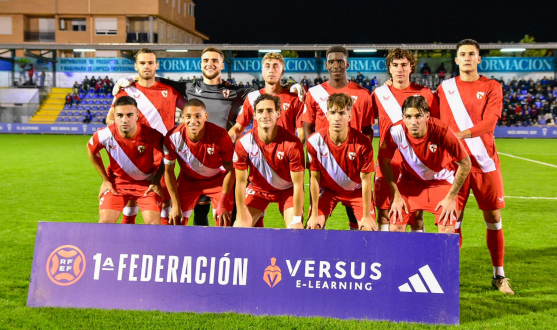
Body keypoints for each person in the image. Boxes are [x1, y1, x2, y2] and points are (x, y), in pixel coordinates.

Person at [436, 39, 513, 294]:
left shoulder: (492, 86)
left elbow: (490, 123)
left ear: (479, 59)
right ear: (456, 60)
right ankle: (448, 276)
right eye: (462, 54)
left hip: (485, 164)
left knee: (493, 218)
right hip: (455, 166)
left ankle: (499, 275)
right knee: (451, 221)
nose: (467, 58)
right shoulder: (444, 88)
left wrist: (458, 135)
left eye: (472, 54)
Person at [108, 48, 185, 225]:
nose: (147, 66)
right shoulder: (125, 91)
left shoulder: (170, 91)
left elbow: (190, 110)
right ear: (136, 66)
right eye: (142, 63)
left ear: (156, 65)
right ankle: (128, 244)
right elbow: (110, 119)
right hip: (134, 156)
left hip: (162, 156)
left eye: (150, 63)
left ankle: (164, 246)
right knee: (131, 200)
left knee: (165, 201)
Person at [302, 45, 374, 230]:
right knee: (313, 224)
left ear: (347, 63)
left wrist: (357, 156)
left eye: (340, 61)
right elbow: (308, 126)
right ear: (326, 65)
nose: (336, 65)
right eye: (332, 61)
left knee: (359, 224)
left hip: (353, 168)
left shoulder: (363, 95)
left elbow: (367, 130)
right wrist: (319, 153)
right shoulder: (314, 93)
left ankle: (356, 255)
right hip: (325, 167)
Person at [378, 95, 471, 234]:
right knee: (395, 227)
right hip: (408, 183)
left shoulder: (442, 131)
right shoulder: (395, 131)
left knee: (447, 228)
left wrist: (451, 198)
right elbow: (383, 161)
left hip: (441, 182)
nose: (413, 121)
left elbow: (465, 163)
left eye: (418, 116)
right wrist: (396, 195)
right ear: (403, 117)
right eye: (408, 116)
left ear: (427, 116)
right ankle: (404, 256)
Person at [373, 48, 439, 232]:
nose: (399, 69)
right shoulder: (379, 94)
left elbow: (435, 128)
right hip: (387, 163)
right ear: (389, 68)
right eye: (395, 65)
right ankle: (384, 257)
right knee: (384, 213)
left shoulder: (424, 93)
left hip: (415, 164)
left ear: (411, 68)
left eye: (404, 65)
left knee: (416, 216)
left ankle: (416, 259)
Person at [87, 96, 165, 225]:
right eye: (120, 115)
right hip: (117, 183)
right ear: (114, 116)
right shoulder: (105, 134)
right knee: (104, 224)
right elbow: (91, 150)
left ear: (137, 115)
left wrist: (157, 180)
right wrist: (105, 180)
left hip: (146, 184)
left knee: (153, 226)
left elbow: (168, 156)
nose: (125, 120)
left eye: (129, 115)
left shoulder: (151, 135)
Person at [306, 93, 377, 231]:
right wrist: (314, 214)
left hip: (356, 191)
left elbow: (366, 181)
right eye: (332, 112)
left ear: (349, 116)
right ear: (327, 115)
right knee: (313, 227)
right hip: (328, 190)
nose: (337, 118)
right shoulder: (314, 142)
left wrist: (367, 215)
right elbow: (314, 179)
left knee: (368, 230)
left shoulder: (363, 143)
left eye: (342, 113)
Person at [233, 94, 305, 229]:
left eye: (270, 110)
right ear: (254, 115)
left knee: (296, 231)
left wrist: (296, 219)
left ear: (278, 113)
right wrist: (240, 217)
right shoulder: (243, 143)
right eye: (260, 111)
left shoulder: (292, 143)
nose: (265, 115)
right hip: (257, 189)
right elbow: (241, 182)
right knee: (239, 228)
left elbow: (298, 184)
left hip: (287, 190)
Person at [164, 99, 235, 226]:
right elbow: (168, 171)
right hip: (188, 181)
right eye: (188, 116)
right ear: (183, 117)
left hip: (217, 180)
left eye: (198, 116)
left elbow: (231, 169)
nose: (193, 121)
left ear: (205, 116)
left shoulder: (220, 135)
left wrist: (223, 202)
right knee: (175, 222)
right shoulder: (173, 137)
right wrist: (175, 205)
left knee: (224, 222)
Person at [229, 52, 305, 144]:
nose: (271, 70)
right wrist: (225, 143)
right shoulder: (252, 97)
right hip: (259, 155)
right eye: (267, 66)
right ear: (262, 71)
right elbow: (238, 128)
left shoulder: (295, 99)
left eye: (275, 66)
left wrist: (294, 152)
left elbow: (302, 133)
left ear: (282, 72)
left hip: (285, 155)